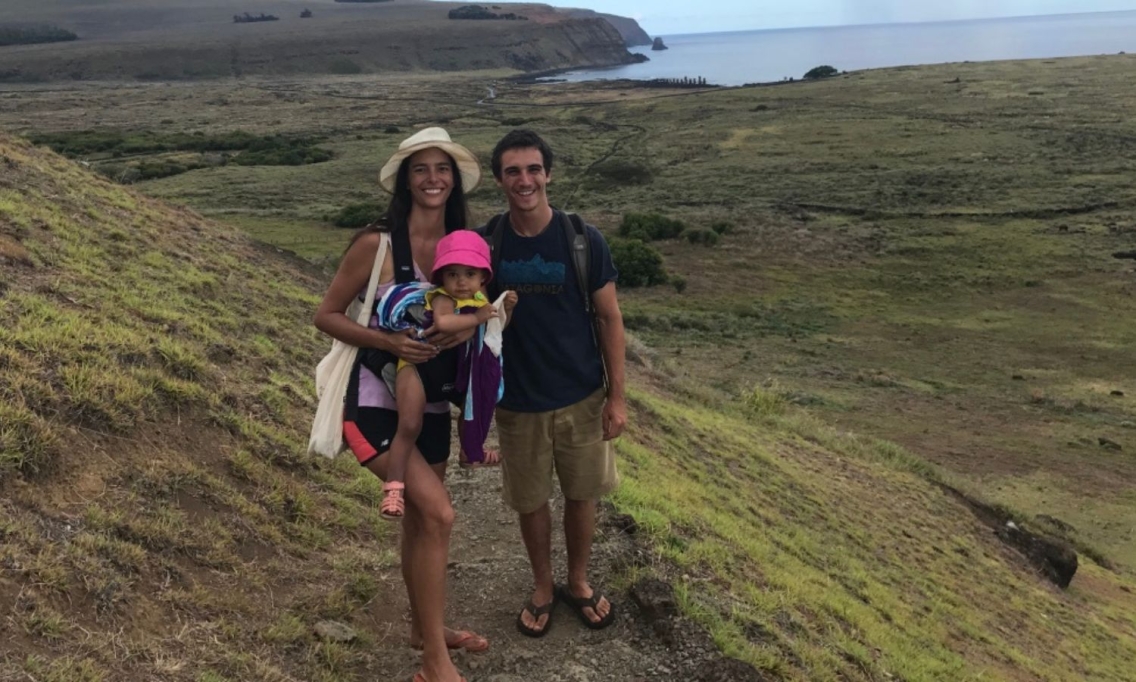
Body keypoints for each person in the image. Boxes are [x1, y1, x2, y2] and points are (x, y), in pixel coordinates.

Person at [313, 127, 485, 682]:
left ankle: (422, 629)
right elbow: (327, 314)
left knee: (419, 525)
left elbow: (476, 315)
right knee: (438, 513)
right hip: (375, 402)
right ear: (406, 180)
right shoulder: (377, 244)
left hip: (433, 406)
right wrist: (389, 342)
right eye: (421, 169)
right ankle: (435, 664)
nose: (432, 179)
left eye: (442, 169)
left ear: (453, 180)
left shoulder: (465, 245)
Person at [481, 129, 628, 637]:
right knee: (530, 500)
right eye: (513, 171)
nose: (525, 180)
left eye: (533, 169)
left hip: (582, 395)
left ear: (548, 173)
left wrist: (617, 396)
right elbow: (468, 314)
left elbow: (610, 319)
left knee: (582, 494)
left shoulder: (582, 239)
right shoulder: (487, 244)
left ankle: (579, 582)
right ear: (499, 179)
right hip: (517, 401)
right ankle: (544, 587)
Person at [366, 231, 517, 520]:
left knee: (476, 405)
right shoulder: (441, 297)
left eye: (469, 273)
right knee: (409, 424)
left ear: (482, 278)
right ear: (441, 277)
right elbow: (445, 322)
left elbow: (494, 331)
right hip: (418, 366)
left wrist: (504, 308)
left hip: (455, 367)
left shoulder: (478, 299)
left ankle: (470, 451)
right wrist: (476, 318)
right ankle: (394, 486)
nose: (461, 281)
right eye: (453, 274)